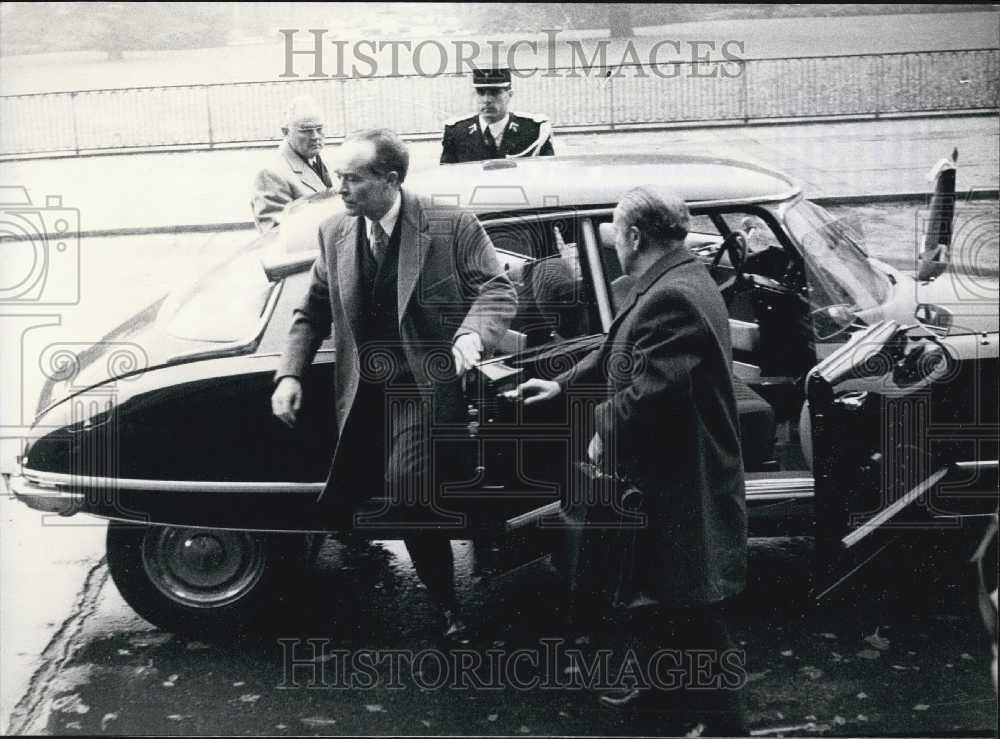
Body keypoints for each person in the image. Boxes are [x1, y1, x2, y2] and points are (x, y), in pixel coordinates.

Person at [509, 187, 748, 734]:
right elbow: (619, 344)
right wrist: (562, 383)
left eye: (616, 234)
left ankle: (721, 725)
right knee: (670, 601)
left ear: (635, 235)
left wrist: (601, 431)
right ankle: (665, 708)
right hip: (675, 472)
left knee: (692, 604)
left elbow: (653, 389)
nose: (614, 244)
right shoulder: (675, 278)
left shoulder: (673, 294)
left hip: (681, 480)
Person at [271, 129, 516, 639]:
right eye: (339, 177)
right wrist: (290, 373)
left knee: (408, 493)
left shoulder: (451, 225)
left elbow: (496, 288)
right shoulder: (335, 231)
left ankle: (449, 607)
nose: (340, 187)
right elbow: (312, 308)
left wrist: (472, 335)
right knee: (354, 499)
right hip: (360, 391)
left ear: (391, 179)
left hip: (420, 391)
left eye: (352, 179)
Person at [251, 96, 332, 232]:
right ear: (285, 132)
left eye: (319, 129)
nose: (315, 136)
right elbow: (275, 234)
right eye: (306, 131)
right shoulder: (271, 174)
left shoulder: (324, 160)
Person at [440, 68, 555, 164]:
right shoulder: (457, 132)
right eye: (481, 92)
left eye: (495, 92)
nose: (487, 100)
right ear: (474, 95)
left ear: (509, 95)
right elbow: (448, 178)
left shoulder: (533, 130)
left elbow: (546, 176)